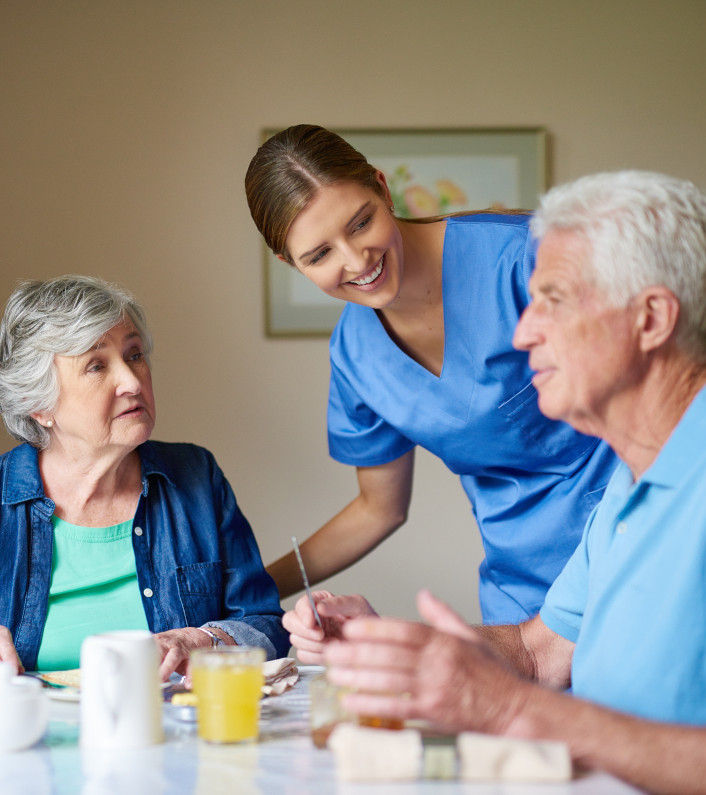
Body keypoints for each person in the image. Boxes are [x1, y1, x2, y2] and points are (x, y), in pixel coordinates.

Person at [286, 171, 706, 794]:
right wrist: (388, 642)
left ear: (652, 318)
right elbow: (538, 653)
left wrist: (510, 709)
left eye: (551, 300)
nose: (521, 333)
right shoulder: (632, 485)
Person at [245, 125, 619, 625]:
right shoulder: (356, 355)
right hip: (524, 597)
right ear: (289, 263)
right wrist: (249, 592)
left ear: (381, 186)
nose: (357, 261)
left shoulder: (528, 259)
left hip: (635, 550)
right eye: (319, 255)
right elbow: (378, 509)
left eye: (360, 223)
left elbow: (664, 404)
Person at [0, 275, 286, 680]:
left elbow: (265, 624)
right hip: (35, 736)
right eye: (97, 365)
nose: (131, 382)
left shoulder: (197, 479)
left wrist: (203, 640)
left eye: (134, 355)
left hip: (172, 731)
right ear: (39, 405)